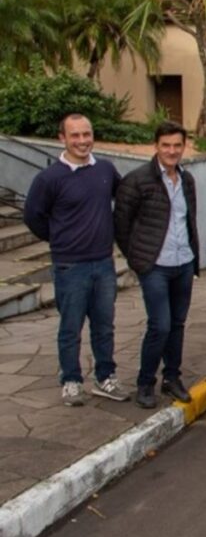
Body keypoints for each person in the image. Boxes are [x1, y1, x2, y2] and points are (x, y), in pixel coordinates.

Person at [24, 113, 129, 406]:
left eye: (87, 134)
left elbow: (126, 196)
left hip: (104, 264)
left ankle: (105, 377)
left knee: (104, 326)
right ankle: (71, 381)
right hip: (70, 267)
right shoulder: (49, 179)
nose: (82, 141)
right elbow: (33, 217)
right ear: (62, 138)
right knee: (70, 328)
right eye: (75, 136)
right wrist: (60, 239)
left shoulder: (105, 170)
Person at [114, 121, 199, 409]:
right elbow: (121, 226)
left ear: (184, 146)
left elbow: (189, 220)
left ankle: (172, 378)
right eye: (166, 145)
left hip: (184, 262)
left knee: (177, 324)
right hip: (155, 266)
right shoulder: (136, 181)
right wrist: (140, 261)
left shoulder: (187, 180)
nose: (172, 151)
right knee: (159, 325)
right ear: (156, 146)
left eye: (177, 145)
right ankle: (145, 382)